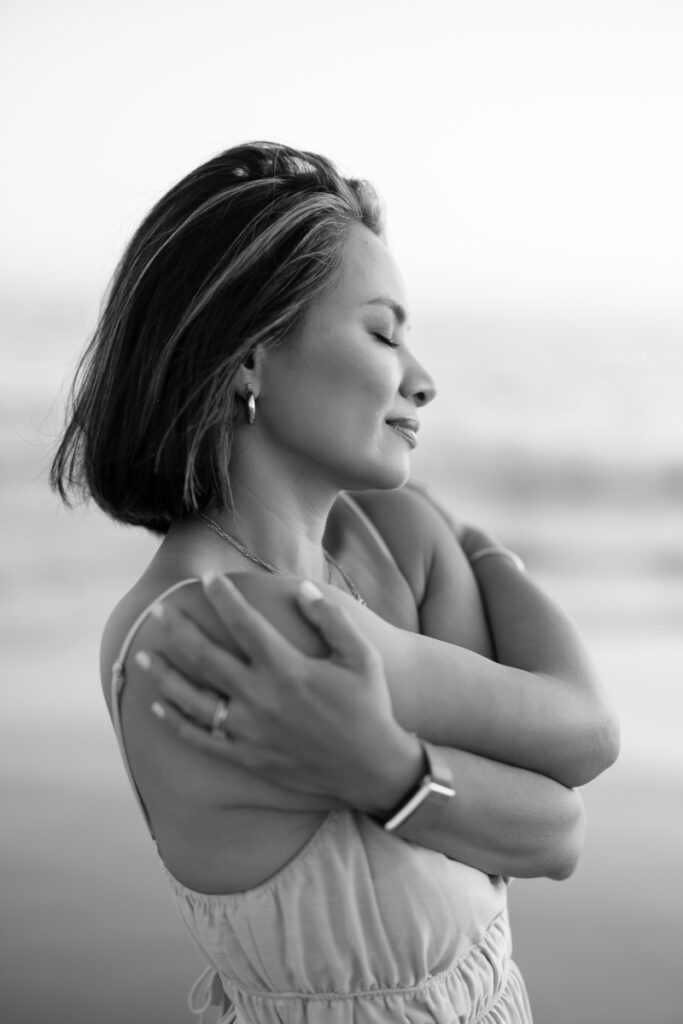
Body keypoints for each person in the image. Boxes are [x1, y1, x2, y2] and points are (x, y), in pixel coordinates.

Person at [51, 141, 619, 1024]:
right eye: (383, 332)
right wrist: (465, 549)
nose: (421, 381)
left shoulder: (371, 558)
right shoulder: (231, 623)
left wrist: (391, 764)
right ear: (248, 359)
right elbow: (579, 750)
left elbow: (558, 823)